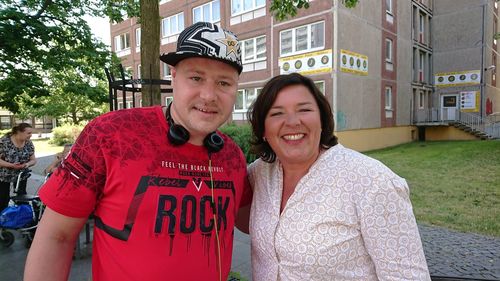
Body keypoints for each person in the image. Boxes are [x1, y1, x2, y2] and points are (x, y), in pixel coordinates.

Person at [25, 22, 251, 281]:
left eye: (224, 83)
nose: (209, 95)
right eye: (196, 78)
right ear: (174, 77)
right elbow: (56, 237)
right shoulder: (110, 134)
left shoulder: (233, 156)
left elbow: (252, 221)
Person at [243, 73, 431, 280]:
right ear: (263, 130)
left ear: (322, 120)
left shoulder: (372, 181)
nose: (292, 121)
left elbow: (407, 276)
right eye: (277, 113)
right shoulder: (259, 174)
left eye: (304, 110)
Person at [0, 123, 36, 212]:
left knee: (22, 197)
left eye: (31, 133)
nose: (30, 135)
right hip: (3, 175)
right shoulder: (4, 142)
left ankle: (21, 218)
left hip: (21, 174)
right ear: (19, 132)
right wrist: (11, 165)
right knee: (3, 198)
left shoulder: (28, 143)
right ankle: (3, 219)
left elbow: (33, 160)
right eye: (28, 133)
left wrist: (27, 164)